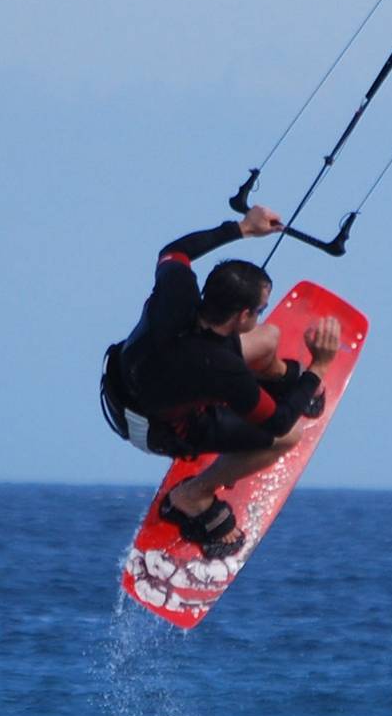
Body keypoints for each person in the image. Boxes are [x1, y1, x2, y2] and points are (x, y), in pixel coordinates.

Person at [101, 205, 341, 558]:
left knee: (268, 339)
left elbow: (175, 251)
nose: (260, 315)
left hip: (125, 380)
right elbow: (278, 421)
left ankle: (286, 382)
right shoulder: (223, 370)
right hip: (147, 425)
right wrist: (318, 367)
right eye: (259, 309)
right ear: (242, 315)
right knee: (287, 436)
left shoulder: (178, 290)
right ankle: (192, 496)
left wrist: (243, 228)